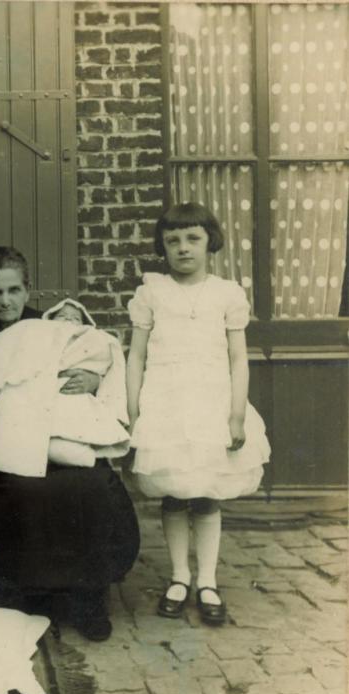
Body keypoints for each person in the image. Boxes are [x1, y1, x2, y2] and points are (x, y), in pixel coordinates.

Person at [0, 246, 139, 642]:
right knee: (26, 491)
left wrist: (92, 381)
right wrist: (13, 430)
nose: (5, 301)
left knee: (90, 486)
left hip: (61, 442)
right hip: (4, 453)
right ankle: (29, 593)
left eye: (14, 291)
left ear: (28, 290)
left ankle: (87, 597)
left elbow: (95, 360)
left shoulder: (53, 327)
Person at [127, 202, 270, 627]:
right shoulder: (151, 292)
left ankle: (207, 581)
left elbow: (238, 358)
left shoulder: (226, 293)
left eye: (193, 239)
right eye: (173, 241)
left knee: (206, 491)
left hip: (211, 401)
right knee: (174, 491)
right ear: (163, 247)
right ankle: (179, 577)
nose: (183, 248)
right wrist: (134, 409)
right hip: (165, 402)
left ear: (210, 242)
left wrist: (237, 414)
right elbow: (135, 356)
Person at [0, 297, 130, 477]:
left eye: (75, 318)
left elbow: (108, 362)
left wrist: (95, 379)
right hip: (27, 403)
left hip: (70, 402)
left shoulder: (91, 338)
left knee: (75, 447)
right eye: (62, 316)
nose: (68, 320)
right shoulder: (30, 328)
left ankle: (75, 455)